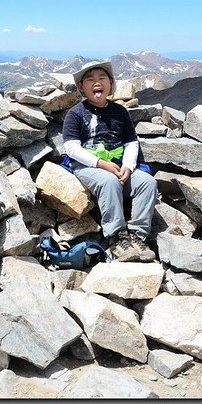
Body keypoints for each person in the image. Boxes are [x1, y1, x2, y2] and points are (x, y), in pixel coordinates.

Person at [61, 61, 157, 262]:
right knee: (109, 181)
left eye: (102, 78)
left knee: (147, 183)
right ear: (81, 87)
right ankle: (116, 238)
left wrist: (128, 167)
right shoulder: (76, 113)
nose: (97, 82)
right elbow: (71, 148)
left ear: (111, 83)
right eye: (90, 79)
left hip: (119, 165)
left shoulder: (120, 112)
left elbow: (131, 142)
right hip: (87, 166)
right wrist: (100, 164)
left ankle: (137, 237)